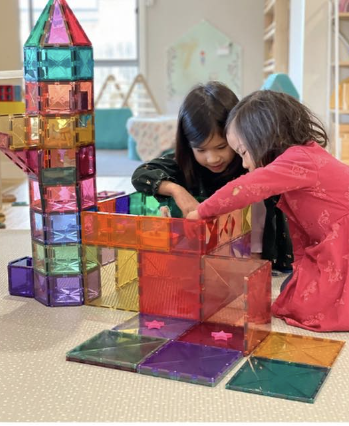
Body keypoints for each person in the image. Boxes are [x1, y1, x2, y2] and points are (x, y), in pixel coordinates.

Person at [187, 90, 349, 332]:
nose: (243, 163)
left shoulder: (299, 159)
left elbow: (246, 188)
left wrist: (202, 212)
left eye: (243, 152)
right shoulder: (299, 160)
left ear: (262, 137)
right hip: (333, 244)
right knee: (291, 293)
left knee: (309, 308)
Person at [132, 81, 293, 272]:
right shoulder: (184, 163)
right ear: (188, 145)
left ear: (238, 136)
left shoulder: (250, 163)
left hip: (248, 255)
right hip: (200, 256)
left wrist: (254, 256)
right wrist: (176, 190)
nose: (213, 158)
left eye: (221, 147)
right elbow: (140, 175)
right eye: (201, 149)